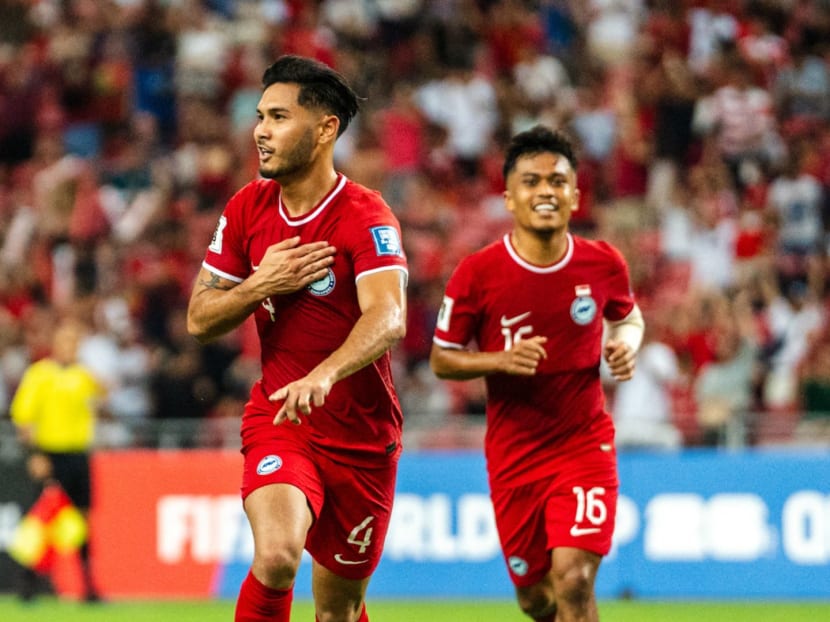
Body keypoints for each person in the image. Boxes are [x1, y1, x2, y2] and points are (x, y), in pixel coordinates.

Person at [186, 55, 408, 622]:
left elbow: (388, 316)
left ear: (325, 128)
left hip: (362, 438)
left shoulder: (366, 215)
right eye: (260, 116)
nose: (260, 130)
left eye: (278, 117)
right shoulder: (246, 208)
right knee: (278, 557)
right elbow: (200, 317)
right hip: (282, 419)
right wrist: (259, 284)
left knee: (339, 611)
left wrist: (326, 373)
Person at [430, 125, 644, 622]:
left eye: (557, 181)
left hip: (584, 444)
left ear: (575, 195)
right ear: (508, 197)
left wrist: (626, 345)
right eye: (531, 182)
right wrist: (497, 360)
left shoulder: (603, 263)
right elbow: (442, 358)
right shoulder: (476, 274)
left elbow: (628, 317)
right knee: (538, 598)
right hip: (515, 457)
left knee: (574, 578)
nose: (545, 191)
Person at [10, 318, 105, 602]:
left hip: (78, 455)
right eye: (66, 341)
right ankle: (27, 585)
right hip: (50, 454)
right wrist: (35, 454)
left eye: (75, 342)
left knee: (83, 520)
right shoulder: (40, 374)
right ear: (55, 344)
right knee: (44, 520)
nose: (71, 347)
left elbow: (103, 395)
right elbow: (24, 419)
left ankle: (88, 586)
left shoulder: (82, 376)